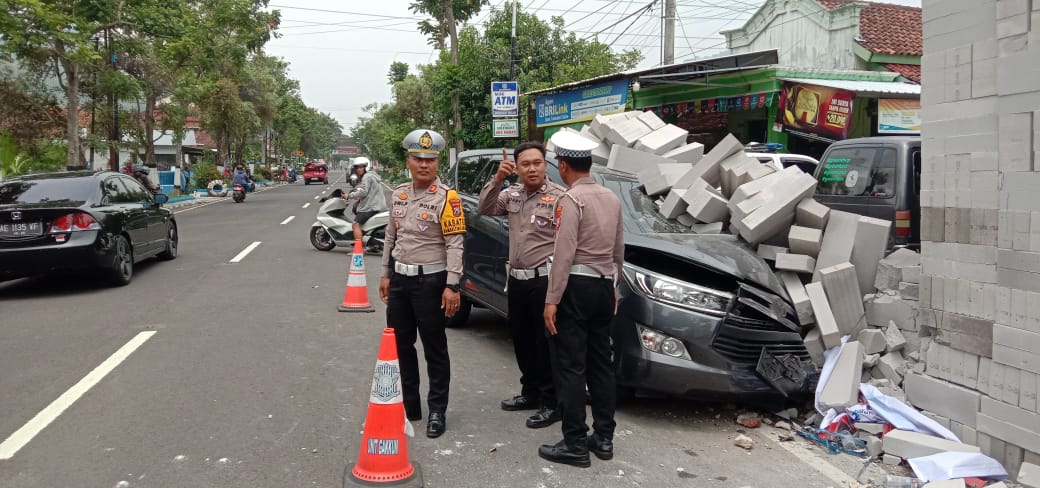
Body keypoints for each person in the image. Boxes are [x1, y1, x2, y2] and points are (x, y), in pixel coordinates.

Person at [538, 130, 624, 468]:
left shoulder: (570, 200)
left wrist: (552, 299)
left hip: (576, 286)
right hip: (603, 286)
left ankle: (574, 442)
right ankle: (603, 438)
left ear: (562, 165)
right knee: (601, 364)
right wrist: (614, 287)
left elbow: (564, 252)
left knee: (571, 366)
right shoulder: (611, 198)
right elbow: (618, 250)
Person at [378, 129, 465, 439]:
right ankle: (410, 405)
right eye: (418, 159)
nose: (424, 165)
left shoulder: (448, 198)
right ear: (409, 161)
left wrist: (452, 285)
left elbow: (455, 244)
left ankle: (437, 410)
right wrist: (385, 273)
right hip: (400, 281)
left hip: (431, 282)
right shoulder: (399, 194)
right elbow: (391, 236)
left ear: (437, 162)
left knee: (434, 348)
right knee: (401, 345)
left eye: (430, 159)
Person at [478, 142, 566, 429]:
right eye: (525, 164)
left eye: (537, 163)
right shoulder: (511, 194)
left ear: (545, 165)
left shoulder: (560, 197)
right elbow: (485, 208)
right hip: (516, 279)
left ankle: (551, 402)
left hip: (544, 280)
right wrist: (497, 179)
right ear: (516, 167)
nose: (532, 169)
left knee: (546, 343)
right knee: (522, 339)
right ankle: (530, 392)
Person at [346, 158, 388, 253]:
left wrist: (349, 195)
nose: (358, 169)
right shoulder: (372, 175)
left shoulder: (366, 177)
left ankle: (358, 250)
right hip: (379, 206)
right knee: (367, 226)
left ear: (366, 167)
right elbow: (367, 190)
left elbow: (364, 192)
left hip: (370, 207)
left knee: (355, 225)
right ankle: (373, 245)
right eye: (357, 167)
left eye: (361, 167)